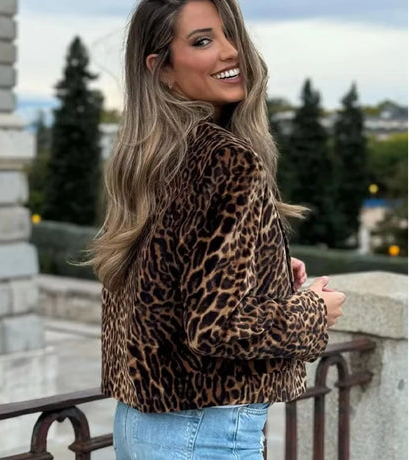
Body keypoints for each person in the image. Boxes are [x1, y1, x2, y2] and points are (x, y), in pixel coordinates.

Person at [88, 0, 346, 458]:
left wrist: (262, 269)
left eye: (231, 34)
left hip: (141, 426)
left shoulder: (156, 157)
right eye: (203, 40)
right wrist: (311, 312)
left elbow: (163, 282)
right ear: (162, 69)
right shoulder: (228, 161)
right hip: (204, 429)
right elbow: (216, 327)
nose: (231, 51)